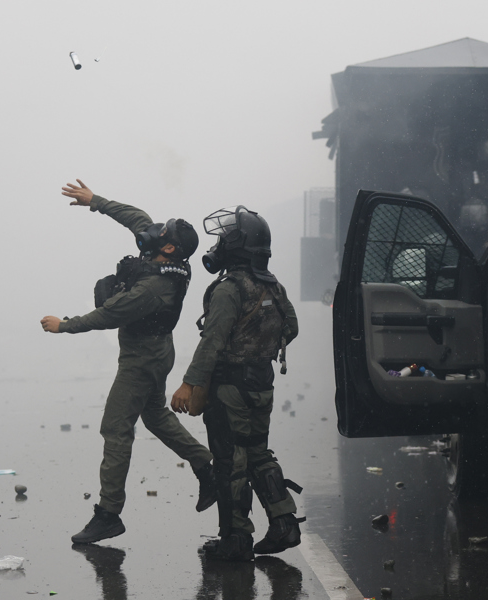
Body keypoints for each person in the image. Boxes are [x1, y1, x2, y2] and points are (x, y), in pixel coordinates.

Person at [41, 179, 217, 544]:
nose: (153, 231)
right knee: (154, 414)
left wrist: (64, 326)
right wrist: (95, 201)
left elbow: (110, 314)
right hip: (157, 349)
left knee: (116, 429)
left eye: (162, 232)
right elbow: (136, 217)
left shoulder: (155, 287)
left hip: (143, 358)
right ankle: (206, 466)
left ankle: (108, 514)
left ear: (170, 247)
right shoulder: (163, 255)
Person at [171, 205, 303, 562]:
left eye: (225, 239)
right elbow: (290, 328)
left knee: (231, 463)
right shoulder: (273, 285)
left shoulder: (229, 289)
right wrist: (259, 342)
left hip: (229, 387)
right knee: (259, 453)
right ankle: (284, 523)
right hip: (262, 384)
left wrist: (188, 384)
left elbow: (212, 341)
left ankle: (235, 540)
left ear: (237, 247)